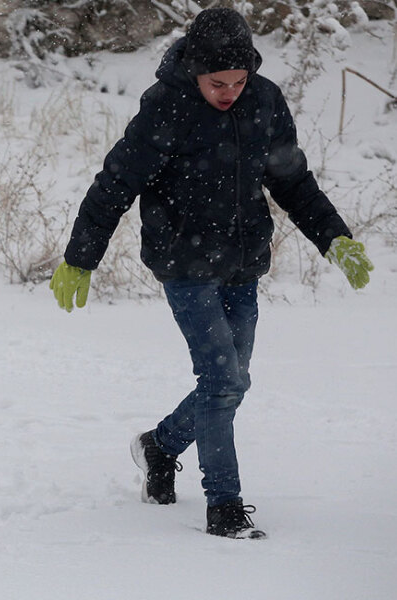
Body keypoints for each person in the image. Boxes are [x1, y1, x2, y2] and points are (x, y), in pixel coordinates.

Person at [48, 8, 374, 539]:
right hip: (185, 263)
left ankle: (161, 444)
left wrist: (333, 238)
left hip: (243, 264)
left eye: (238, 81)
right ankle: (224, 504)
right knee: (222, 379)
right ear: (194, 70)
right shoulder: (165, 108)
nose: (228, 92)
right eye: (216, 83)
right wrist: (81, 257)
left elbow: (292, 180)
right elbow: (114, 184)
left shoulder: (264, 101)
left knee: (233, 381)